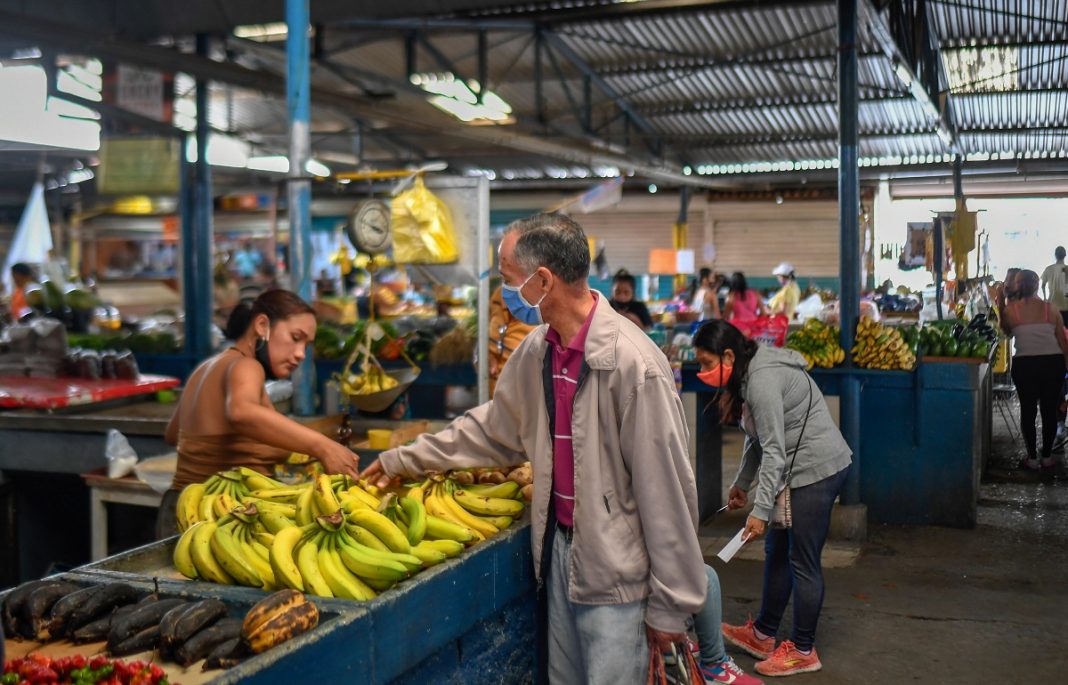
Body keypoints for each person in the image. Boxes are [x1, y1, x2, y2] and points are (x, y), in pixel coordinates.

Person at [362, 213, 706, 684]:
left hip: (619, 571)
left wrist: (672, 604)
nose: (505, 294)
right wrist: (401, 459)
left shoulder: (633, 364)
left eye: (508, 280)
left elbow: (666, 490)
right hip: (561, 553)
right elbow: (489, 430)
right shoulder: (538, 351)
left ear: (542, 280)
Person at [692, 320, 852, 678]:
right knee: (777, 551)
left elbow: (775, 453)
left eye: (706, 363)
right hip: (795, 466)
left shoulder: (761, 381)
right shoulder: (748, 374)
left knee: (802, 559)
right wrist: (742, 482)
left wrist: (760, 511)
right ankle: (764, 634)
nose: (702, 371)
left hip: (816, 469)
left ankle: (803, 650)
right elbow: (758, 436)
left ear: (729, 356)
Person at [158, 289, 361, 537]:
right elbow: (242, 413)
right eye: (296, 337)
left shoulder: (205, 369)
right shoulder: (246, 365)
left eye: (306, 345)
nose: (300, 354)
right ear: (262, 325)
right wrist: (323, 447)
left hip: (177, 512)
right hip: (218, 522)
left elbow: (173, 434)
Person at [1001, 270, 1068, 472]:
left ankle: (1031, 459)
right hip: (1052, 364)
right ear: (1037, 286)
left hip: (1025, 366)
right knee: (1048, 411)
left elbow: (1006, 332)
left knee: (1028, 411)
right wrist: (1066, 369)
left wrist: (1001, 301)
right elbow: (1063, 342)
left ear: (1017, 286)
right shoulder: (1050, 309)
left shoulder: (1011, 311)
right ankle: (1047, 457)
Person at [487, 283, 536, 397]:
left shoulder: (505, 292)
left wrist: (491, 352)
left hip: (517, 369)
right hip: (508, 371)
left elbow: (496, 325)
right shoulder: (501, 293)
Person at [1041, 246, 1068, 327]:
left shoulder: (1049, 269)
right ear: (1065, 255)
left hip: (1052, 305)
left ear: (1055, 255)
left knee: (1053, 331)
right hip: (1066, 304)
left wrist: (1045, 298)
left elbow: (1043, 285)